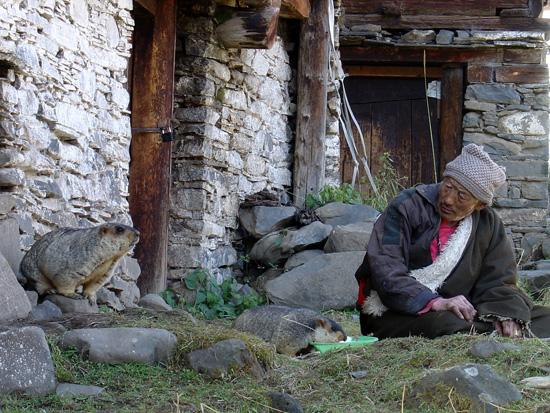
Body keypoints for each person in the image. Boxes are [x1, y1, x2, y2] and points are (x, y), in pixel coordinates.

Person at [355, 144, 550, 339]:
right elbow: (386, 268)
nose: (448, 199)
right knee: (446, 323)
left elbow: (499, 280)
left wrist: (504, 313)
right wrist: (434, 302)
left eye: (462, 196)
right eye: (447, 186)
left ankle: (492, 328)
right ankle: (487, 331)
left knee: (540, 317)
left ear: (479, 204)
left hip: (464, 308)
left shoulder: (487, 223)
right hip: (399, 311)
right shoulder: (406, 206)